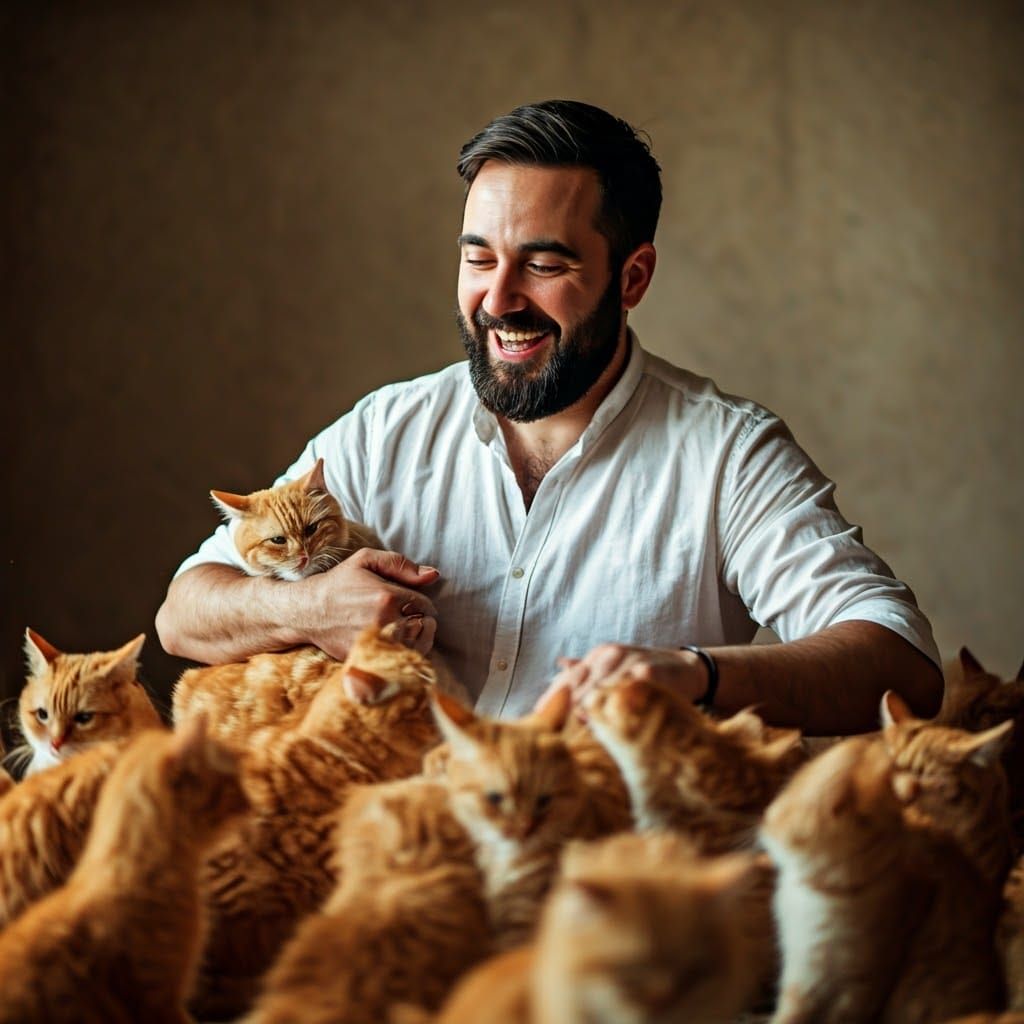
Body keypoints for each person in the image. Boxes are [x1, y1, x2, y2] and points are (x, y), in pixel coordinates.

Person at [156, 99, 941, 734]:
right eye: (478, 257)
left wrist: (695, 676)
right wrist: (307, 606)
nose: (497, 300)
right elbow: (185, 613)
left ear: (631, 279)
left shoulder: (728, 453)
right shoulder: (382, 431)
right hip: (400, 862)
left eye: (543, 263)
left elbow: (900, 661)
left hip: (613, 894)